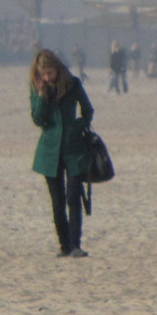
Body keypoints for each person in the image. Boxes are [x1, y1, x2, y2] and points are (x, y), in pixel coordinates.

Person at [29, 49, 95, 258]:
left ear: (57, 68)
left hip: (74, 148)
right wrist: (41, 96)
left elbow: (88, 110)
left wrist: (78, 126)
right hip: (50, 151)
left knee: (73, 198)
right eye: (44, 74)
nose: (48, 78)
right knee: (57, 201)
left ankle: (75, 245)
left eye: (50, 73)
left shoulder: (73, 84)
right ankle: (64, 246)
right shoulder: (37, 88)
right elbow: (38, 120)